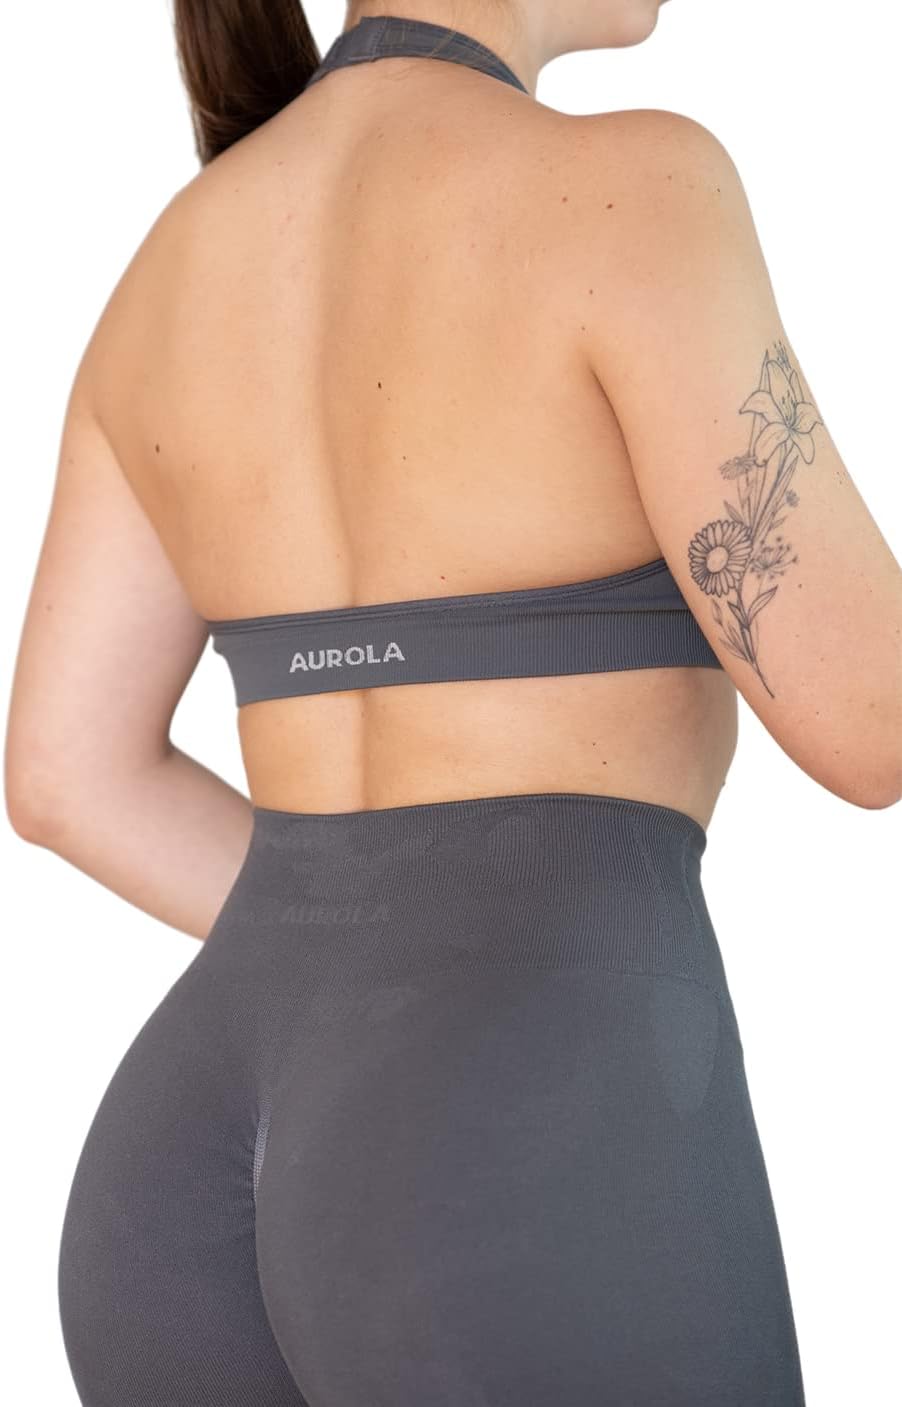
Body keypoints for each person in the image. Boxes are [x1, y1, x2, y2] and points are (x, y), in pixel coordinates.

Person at [5, 2, 900, 1404]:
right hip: (524, 1139)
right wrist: (459, 962)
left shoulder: (181, 252)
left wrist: (369, 939)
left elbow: (67, 775)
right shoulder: (633, 186)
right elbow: (868, 722)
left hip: (182, 1169)